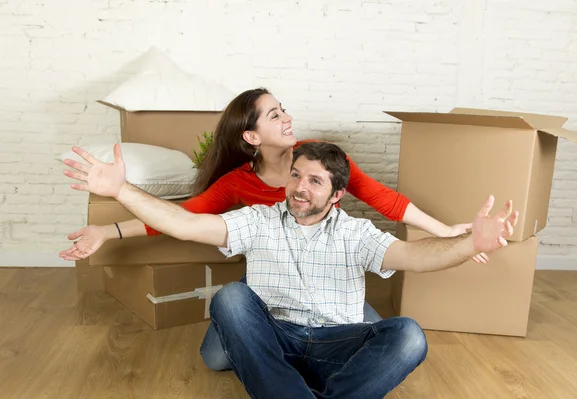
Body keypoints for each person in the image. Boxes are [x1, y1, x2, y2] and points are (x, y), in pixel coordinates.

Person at [59, 87, 487, 370]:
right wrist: (109, 232)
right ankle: (292, 346)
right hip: (272, 278)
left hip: (332, 279)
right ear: (251, 135)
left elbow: (384, 199)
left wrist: (447, 230)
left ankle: (301, 349)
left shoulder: (321, 160)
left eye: (284, 110)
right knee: (215, 358)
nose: (287, 118)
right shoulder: (237, 183)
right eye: (275, 114)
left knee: (366, 346)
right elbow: (181, 220)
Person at [62, 140, 518, 399]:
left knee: (409, 336)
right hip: (273, 335)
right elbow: (184, 222)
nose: (299, 187)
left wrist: (469, 243)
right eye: (296, 175)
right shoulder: (258, 220)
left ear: (337, 195)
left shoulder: (357, 234)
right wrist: (121, 190)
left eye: (314, 181)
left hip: (332, 339)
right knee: (232, 298)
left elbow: (417, 257)